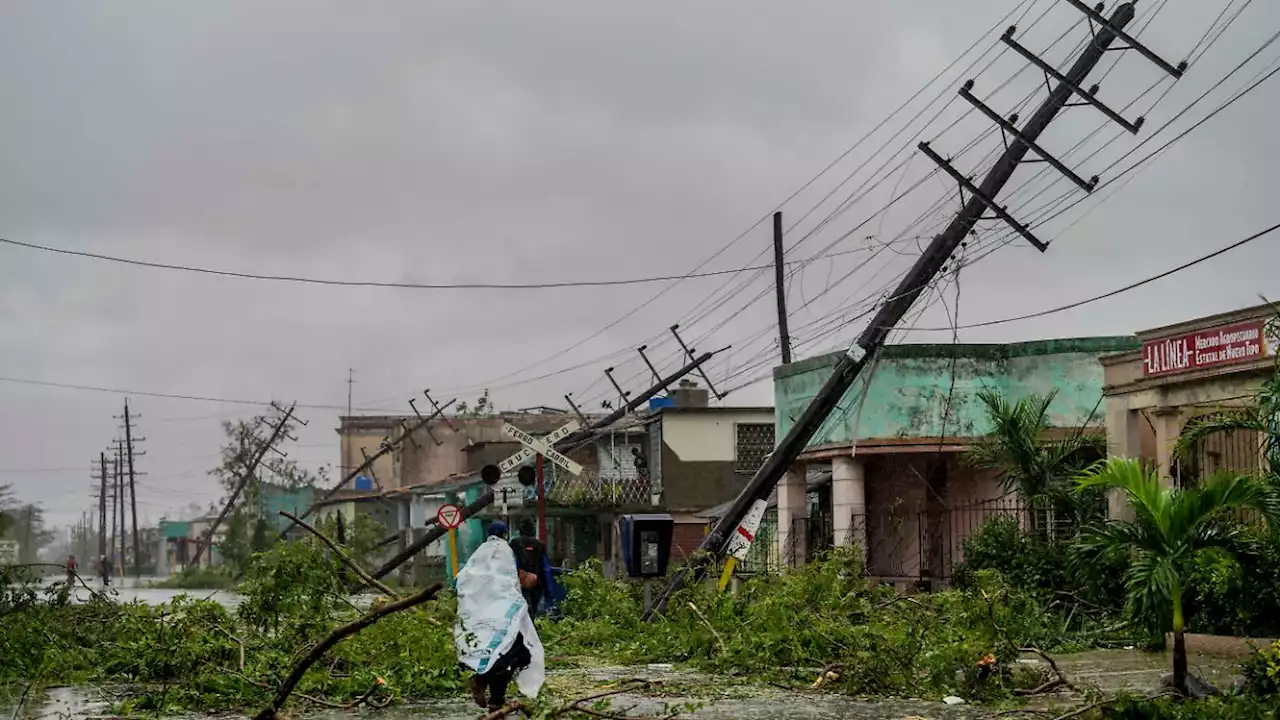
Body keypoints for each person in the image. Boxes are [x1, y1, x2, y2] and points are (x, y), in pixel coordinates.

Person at [455, 521, 545, 713]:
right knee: (514, 653)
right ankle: (493, 697)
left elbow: (464, 581)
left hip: (484, 615)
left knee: (500, 653)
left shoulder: (479, 554)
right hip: (505, 614)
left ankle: (487, 688)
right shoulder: (507, 551)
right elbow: (518, 577)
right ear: (505, 534)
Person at [509, 518, 547, 617]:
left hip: (519, 582)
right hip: (536, 582)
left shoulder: (514, 543)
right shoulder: (540, 545)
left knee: (520, 609)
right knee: (533, 609)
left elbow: (510, 562)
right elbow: (545, 567)